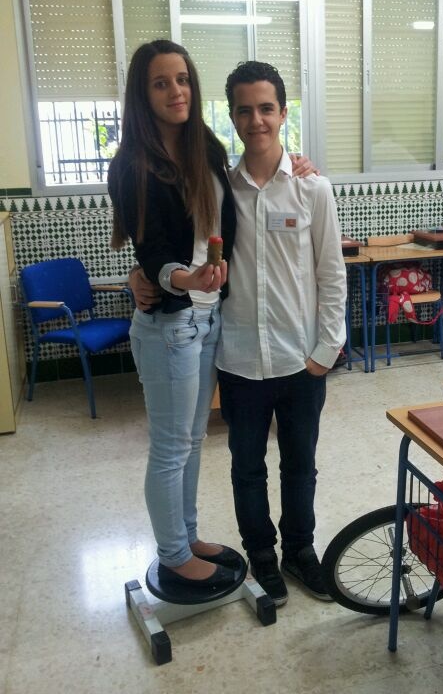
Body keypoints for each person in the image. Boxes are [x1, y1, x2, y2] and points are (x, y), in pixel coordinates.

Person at [108, 39, 241, 593]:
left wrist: (299, 165)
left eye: (182, 79)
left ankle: (187, 537)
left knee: (191, 441)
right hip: (170, 326)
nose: (175, 91)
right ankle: (173, 555)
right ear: (143, 94)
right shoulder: (133, 164)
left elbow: (231, 213)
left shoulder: (205, 147)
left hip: (207, 319)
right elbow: (153, 247)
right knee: (169, 446)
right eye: (160, 83)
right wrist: (179, 278)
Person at [215, 60, 347, 606]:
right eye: (245, 110)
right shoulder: (219, 192)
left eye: (266, 108)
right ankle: (262, 557)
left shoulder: (313, 189)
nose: (257, 120)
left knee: (300, 466)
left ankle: (299, 551)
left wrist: (326, 349)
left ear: (283, 112)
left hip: (300, 360)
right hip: (240, 360)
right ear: (232, 117)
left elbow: (331, 273)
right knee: (247, 468)